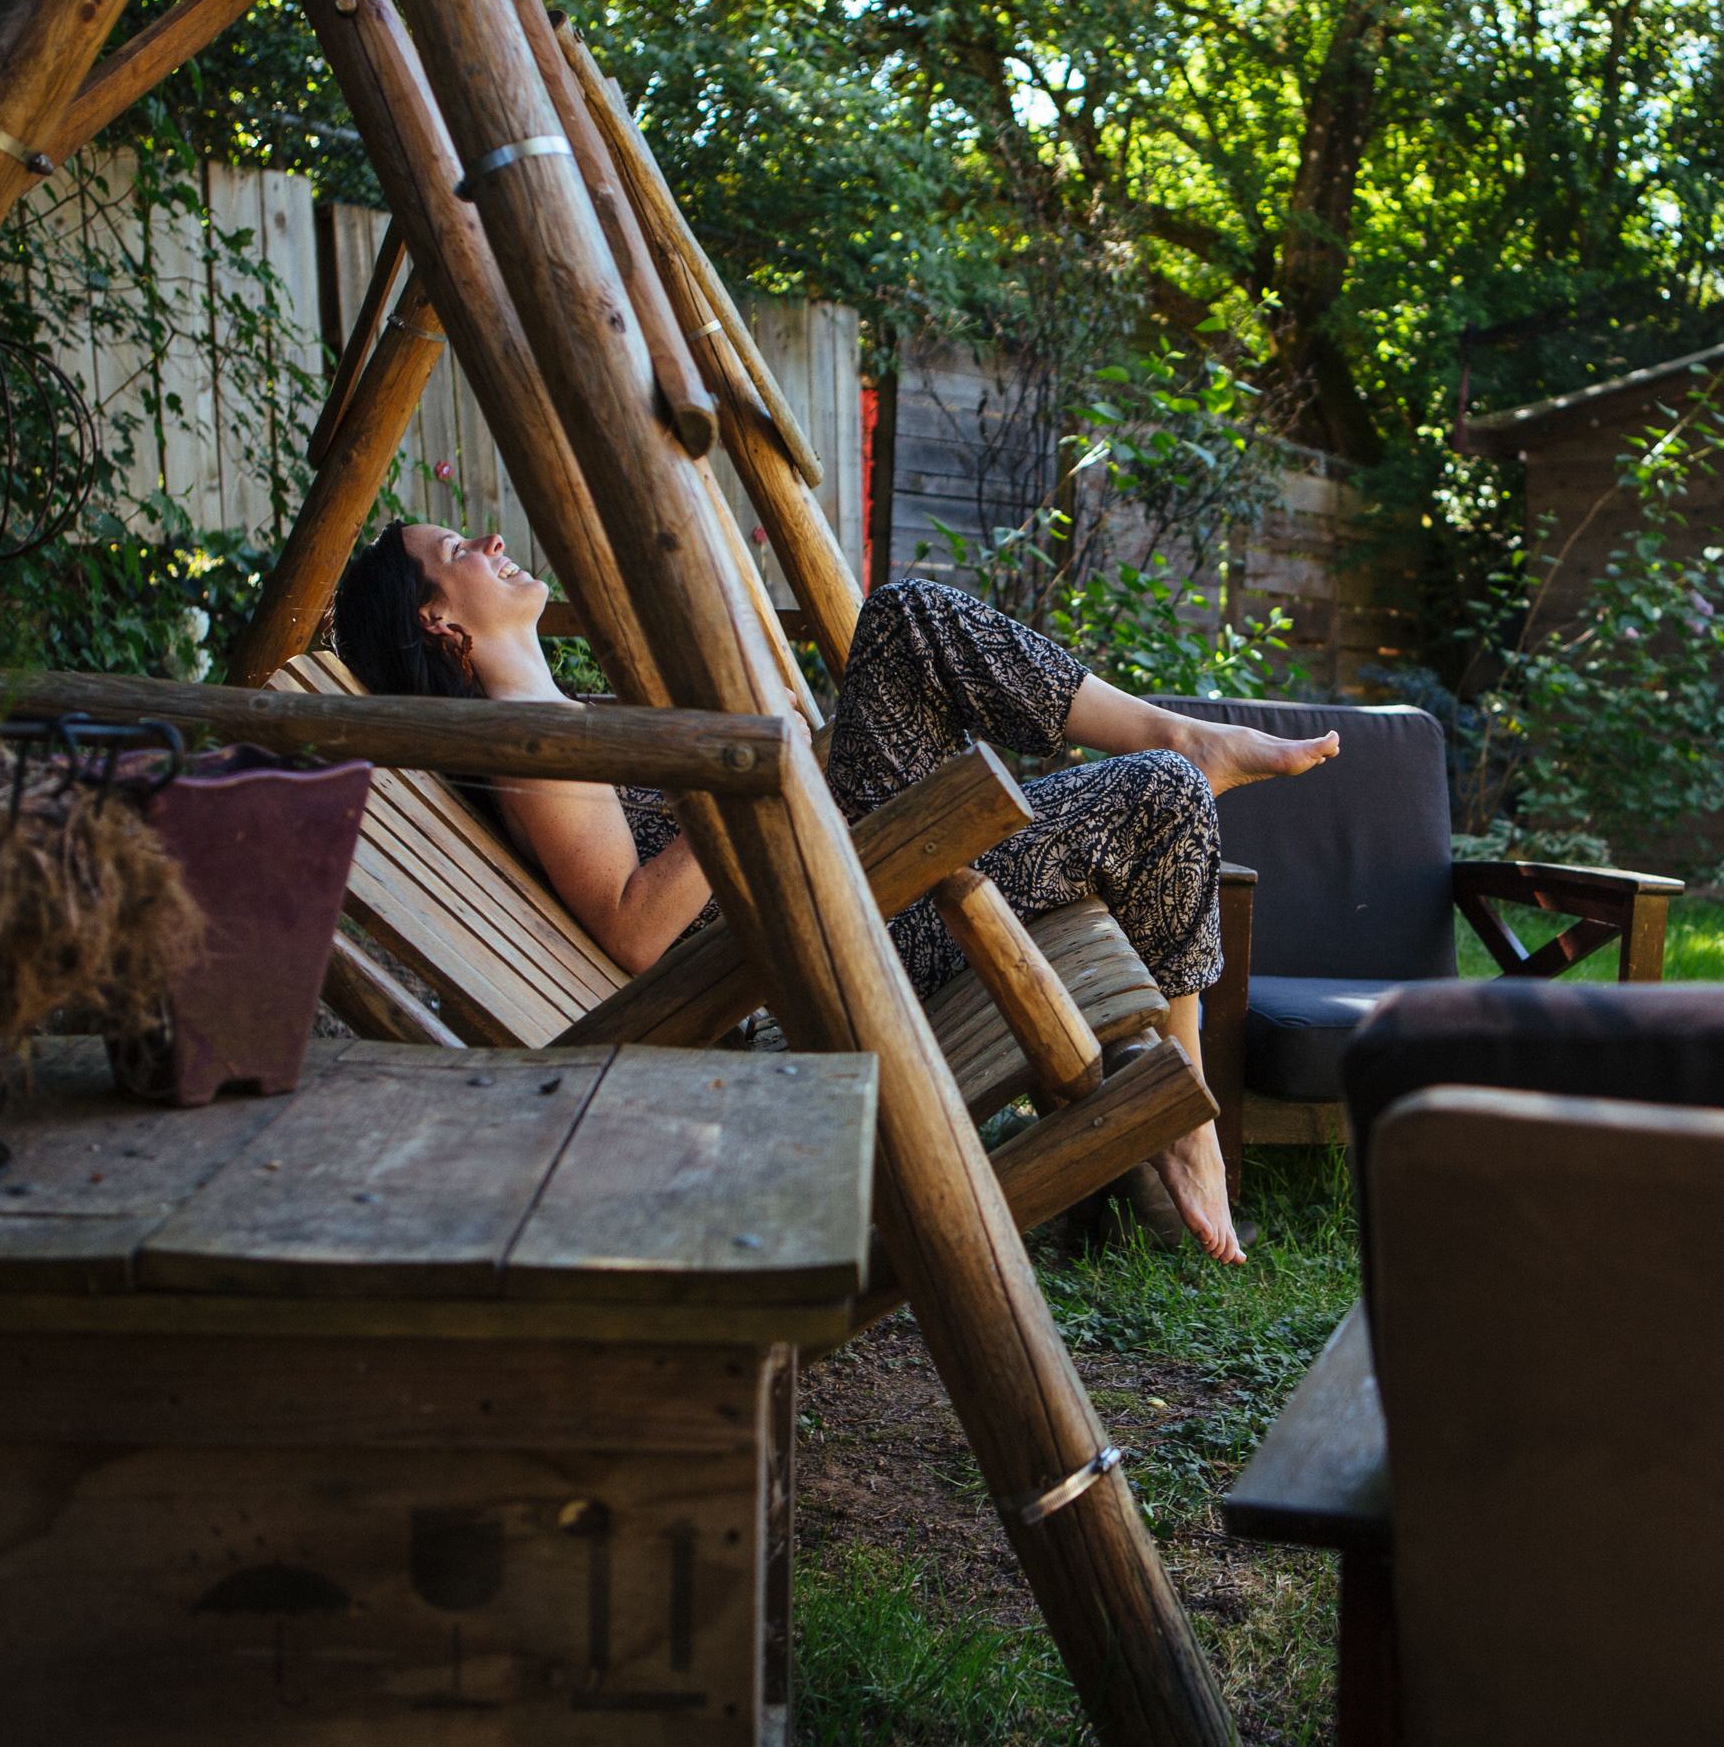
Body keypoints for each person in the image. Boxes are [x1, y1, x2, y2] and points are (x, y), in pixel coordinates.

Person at [330, 521, 1338, 1263]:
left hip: (840, 898)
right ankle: (1186, 1109)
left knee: (910, 621)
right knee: (1156, 795)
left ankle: (1184, 752)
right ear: (438, 619)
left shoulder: (549, 715)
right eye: (459, 549)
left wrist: (761, 762)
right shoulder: (532, 747)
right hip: (826, 964)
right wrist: (762, 762)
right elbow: (638, 932)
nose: (493, 542)